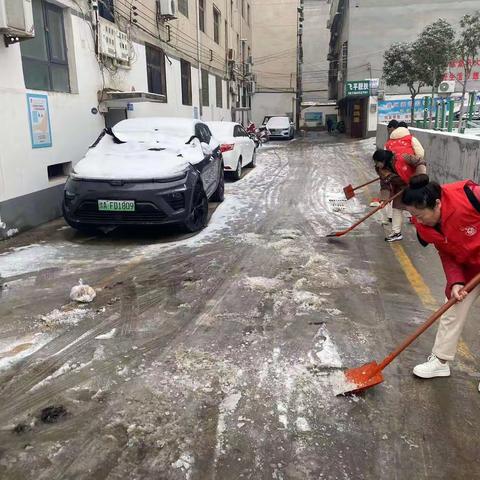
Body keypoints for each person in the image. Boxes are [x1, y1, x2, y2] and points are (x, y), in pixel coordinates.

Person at [402, 175, 480, 389]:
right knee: (451, 309)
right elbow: (445, 253)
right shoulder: (424, 226)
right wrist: (455, 281)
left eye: (419, 214)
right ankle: (440, 361)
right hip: (468, 266)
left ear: (437, 203)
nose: (417, 220)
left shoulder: (469, 196)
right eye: (412, 215)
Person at [382, 124, 425, 241]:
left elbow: (386, 161)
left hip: (397, 179)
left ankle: (396, 232)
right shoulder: (411, 139)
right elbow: (421, 155)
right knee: (417, 206)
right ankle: (424, 232)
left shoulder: (388, 143)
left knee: (397, 207)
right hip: (413, 179)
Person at [372, 148, 426, 242]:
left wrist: (419, 177)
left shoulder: (402, 157)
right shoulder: (380, 169)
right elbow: (384, 184)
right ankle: (396, 233)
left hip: (415, 185)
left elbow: (420, 162)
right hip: (400, 187)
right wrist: (384, 199)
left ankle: (426, 230)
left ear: (383, 160)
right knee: (397, 208)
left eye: (377, 162)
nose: (376, 165)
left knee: (417, 208)